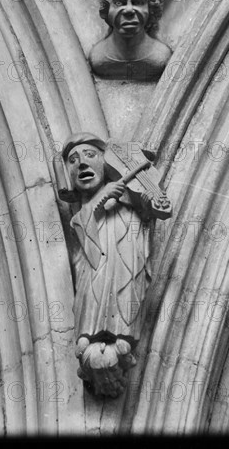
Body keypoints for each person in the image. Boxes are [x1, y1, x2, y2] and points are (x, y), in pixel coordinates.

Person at [60, 132, 156, 397]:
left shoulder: (126, 205)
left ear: (108, 162)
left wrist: (145, 200)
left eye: (90, 155)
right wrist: (102, 197)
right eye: (72, 160)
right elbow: (81, 225)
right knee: (93, 284)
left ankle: (122, 335)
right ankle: (88, 336)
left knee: (126, 286)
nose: (81, 164)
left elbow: (147, 214)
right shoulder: (82, 216)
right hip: (95, 278)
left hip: (125, 271)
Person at [89, 0, 172, 81]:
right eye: (119, 3)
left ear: (151, 9)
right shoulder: (98, 56)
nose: (129, 10)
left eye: (138, 2)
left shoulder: (161, 55)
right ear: (107, 10)